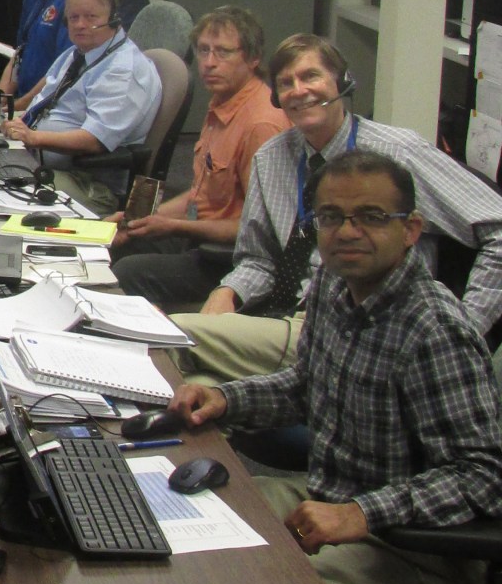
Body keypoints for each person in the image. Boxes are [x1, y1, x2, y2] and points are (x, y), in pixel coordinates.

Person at [169, 150, 502, 584]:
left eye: (370, 217)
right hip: (338, 495)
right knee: (213, 526)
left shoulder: (433, 327)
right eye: (331, 216)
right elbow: (302, 389)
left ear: (411, 230)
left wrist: (362, 514)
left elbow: (481, 474)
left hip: (427, 557)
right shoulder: (333, 289)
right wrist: (223, 400)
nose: (348, 231)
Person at [170, 32, 502, 387]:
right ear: (277, 99)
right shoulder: (272, 159)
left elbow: (498, 228)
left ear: (342, 83)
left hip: (363, 333)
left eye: (310, 76)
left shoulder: (398, 154)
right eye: (286, 83)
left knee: (171, 336)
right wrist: (228, 292)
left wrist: (464, 330)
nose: (298, 90)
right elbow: (260, 258)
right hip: (287, 318)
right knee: (196, 389)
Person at [111, 5, 288, 311]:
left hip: (229, 260)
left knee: (128, 271)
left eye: (223, 53)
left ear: (254, 58)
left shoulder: (261, 124)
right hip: (199, 233)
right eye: (203, 51)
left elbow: (256, 229)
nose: (209, 63)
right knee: (115, 242)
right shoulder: (222, 101)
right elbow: (197, 196)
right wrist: (137, 219)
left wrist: (173, 227)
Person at [3, 0, 161, 214]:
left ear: (114, 18)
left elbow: (94, 140)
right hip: (44, 163)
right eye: (74, 18)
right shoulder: (78, 53)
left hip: (91, 184)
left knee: (3, 189)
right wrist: (13, 120)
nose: (80, 25)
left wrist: (34, 137)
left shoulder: (123, 70)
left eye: (91, 17)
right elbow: (45, 97)